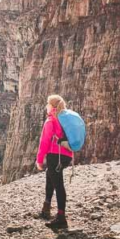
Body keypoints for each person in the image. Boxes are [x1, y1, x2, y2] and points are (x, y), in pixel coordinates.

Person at [36, 94, 73, 229]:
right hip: (66, 155)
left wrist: (39, 160)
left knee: (58, 184)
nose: (46, 106)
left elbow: (44, 142)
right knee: (50, 176)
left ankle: (61, 217)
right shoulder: (65, 119)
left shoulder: (51, 120)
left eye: (47, 104)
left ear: (52, 106)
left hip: (54, 155)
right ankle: (46, 208)